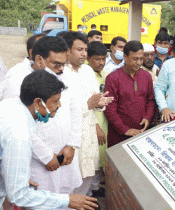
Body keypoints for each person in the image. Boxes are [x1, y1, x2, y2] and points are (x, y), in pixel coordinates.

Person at [0, 70, 97, 209]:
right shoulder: (19, 135)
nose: (60, 105)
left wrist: (14, 174)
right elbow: (19, 195)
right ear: (38, 103)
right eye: (56, 101)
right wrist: (67, 200)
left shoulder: (10, 104)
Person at [17, 37, 83, 203]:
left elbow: (76, 111)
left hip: (66, 154)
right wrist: (46, 156)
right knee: (43, 200)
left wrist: (72, 144)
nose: (61, 69)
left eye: (64, 63)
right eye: (56, 64)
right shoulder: (19, 80)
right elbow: (19, 125)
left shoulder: (67, 76)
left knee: (67, 200)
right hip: (39, 161)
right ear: (40, 59)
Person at [61, 31, 113, 196]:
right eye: (79, 49)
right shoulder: (60, 73)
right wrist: (87, 105)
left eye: (85, 49)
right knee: (70, 176)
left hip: (89, 130)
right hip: (70, 134)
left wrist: (100, 103)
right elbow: (59, 107)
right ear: (67, 50)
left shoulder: (88, 71)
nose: (84, 53)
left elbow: (94, 99)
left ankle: (81, 202)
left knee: (88, 173)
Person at [104, 41, 155, 147]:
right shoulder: (113, 78)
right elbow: (109, 108)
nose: (139, 62)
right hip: (119, 135)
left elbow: (150, 100)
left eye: (141, 58)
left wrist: (147, 117)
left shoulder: (146, 76)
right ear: (125, 57)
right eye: (135, 59)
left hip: (141, 132)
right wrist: (125, 130)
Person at [87, 41, 110, 197]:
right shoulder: (85, 76)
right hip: (91, 123)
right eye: (97, 59)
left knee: (100, 158)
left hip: (104, 121)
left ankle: (94, 188)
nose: (101, 62)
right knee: (90, 159)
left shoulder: (106, 74)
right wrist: (96, 126)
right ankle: (87, 193)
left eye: (103, 59)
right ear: (88, 58)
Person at [1, 33, 46, 100]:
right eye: (46, 51)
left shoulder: (50, 72)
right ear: (31, 53)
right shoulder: (17, 77)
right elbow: (11, 106)